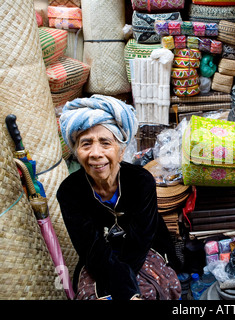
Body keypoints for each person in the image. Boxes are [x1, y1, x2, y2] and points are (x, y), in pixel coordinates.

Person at [57, 94, 181, 300]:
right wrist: (124, 288)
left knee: (150, 291)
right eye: (86, 144)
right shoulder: (69, 191)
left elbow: (140, 239)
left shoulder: (141, 181)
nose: (96, 153)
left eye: (105, 143)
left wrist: (126, 289)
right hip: (99, 256)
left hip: (144, 249)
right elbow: (90, 247)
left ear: (121, 151)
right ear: (77, 152)